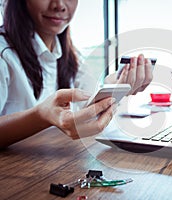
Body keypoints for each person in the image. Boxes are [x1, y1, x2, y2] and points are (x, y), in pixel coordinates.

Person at [0, 0, 153, 148]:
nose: (59, 5)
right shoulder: (3, 54)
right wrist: (41, 115)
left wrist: (114, 86)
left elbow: (87, 104)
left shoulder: (72, 56)